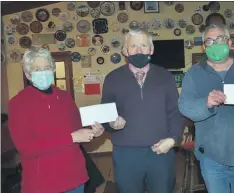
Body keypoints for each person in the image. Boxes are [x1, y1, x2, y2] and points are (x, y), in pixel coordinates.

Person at [178, 24, 234, 193]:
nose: (215, 44)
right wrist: (206, 102)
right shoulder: (194, 73)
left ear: (230, 43)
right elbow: (184, 106)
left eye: (219, 39)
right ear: (204, 47)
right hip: (211, 158)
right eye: (209, 41)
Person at [93, 29, 184, 193]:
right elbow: (105, 114)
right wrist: (111, 123)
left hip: (161, 152)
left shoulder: (165, 76)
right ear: (125, 51)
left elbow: (175, 112)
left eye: (143, 45)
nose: (139, 50)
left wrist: (173, 139)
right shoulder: (112, 78)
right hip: (126, 154)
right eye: (133, 46)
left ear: (151, 49)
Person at [8, 47, 105, 193]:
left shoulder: (65, 96)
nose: (43, 72)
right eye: (37, 69)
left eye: (47, 67)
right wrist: (71, 138)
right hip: (42, 183)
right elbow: (26, 148)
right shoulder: (18, 103)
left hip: (75, 178)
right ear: (28, 74)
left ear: (53, 70)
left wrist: (93, 132)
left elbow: (78, 129)